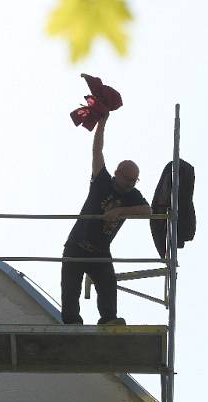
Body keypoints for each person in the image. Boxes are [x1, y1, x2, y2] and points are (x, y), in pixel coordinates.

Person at [61, 113, 151, 325]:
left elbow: (148, 211)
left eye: (134, 181)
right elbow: (97, 150)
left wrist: (120, 212)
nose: (130, 184)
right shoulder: (101, 181)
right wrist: (102, 123)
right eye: (127, 179)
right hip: (76, 245)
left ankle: (109, 320)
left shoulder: (132, 195)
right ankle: (72, 324)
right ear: (117, 173)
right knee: (70, 289)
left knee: (108, 285)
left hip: (100, 251)